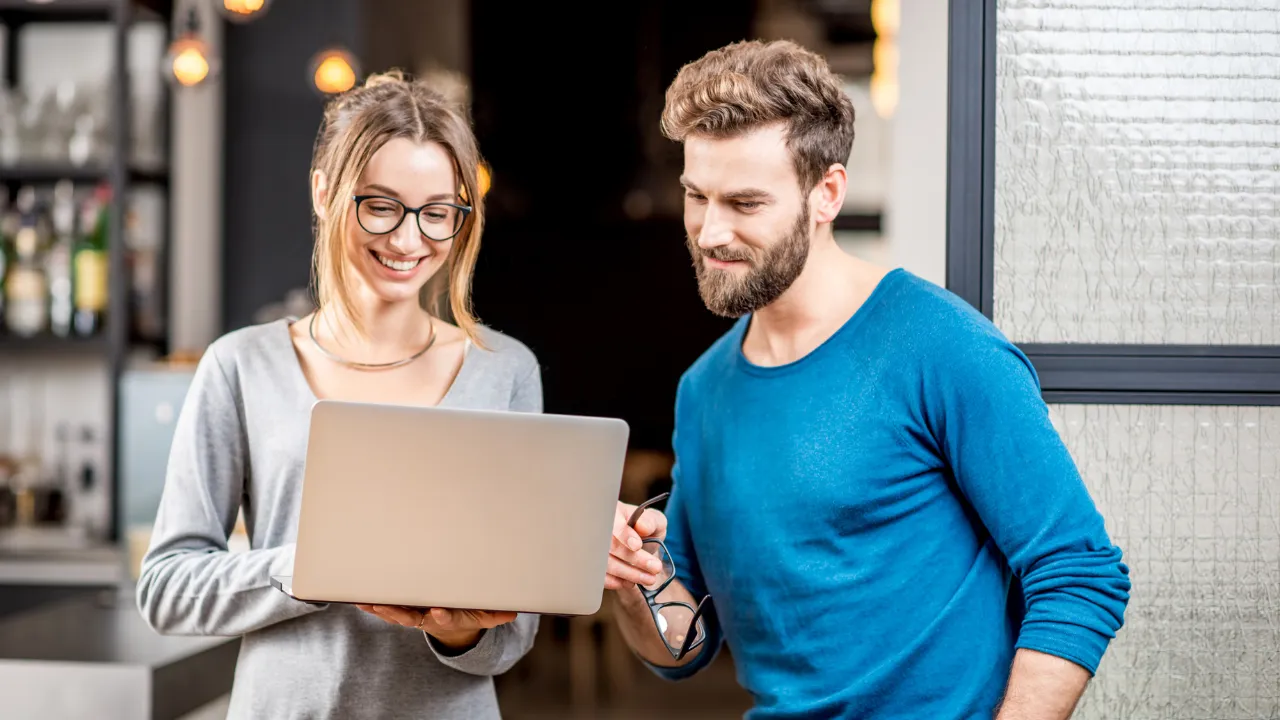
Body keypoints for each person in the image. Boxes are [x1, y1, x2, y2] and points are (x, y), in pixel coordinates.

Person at [605, 40, 1130, 719]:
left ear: (826, 194)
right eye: (696, 196)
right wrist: (630, 581)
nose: (709, 231)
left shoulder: (942, 348)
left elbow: (1080, 574)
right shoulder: (703, 390)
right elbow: (684, 646)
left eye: (744, 203)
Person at [137, 70, 540, 719]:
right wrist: (318, 566)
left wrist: (455, 624)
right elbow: (167, 588)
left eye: (438, 213)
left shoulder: (505, 371)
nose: (409, 240)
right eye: (380, 205)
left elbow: (512, 638)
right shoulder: (242, 366)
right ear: (324, 193)